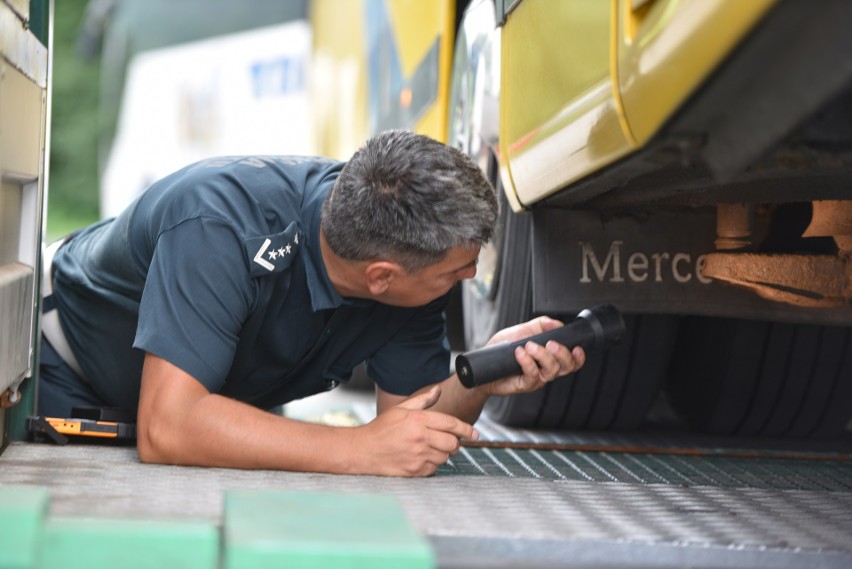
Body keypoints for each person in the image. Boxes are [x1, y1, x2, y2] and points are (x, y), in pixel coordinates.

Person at [39, 130, 585, 476]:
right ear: (381, 277)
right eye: (458, 270)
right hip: (68, 371)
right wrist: (357, 449)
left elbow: (407, 429)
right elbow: (169, 428)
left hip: (210, 400)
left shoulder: (405, 261)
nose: (469, 277)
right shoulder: (219, 226)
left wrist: (480, 376)